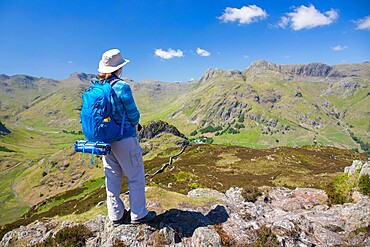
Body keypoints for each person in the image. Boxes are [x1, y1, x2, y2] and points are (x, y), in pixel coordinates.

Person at [97, 48, 156, 226]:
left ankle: (116, 216)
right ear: (119, 68)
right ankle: (138, 214)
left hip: (106, 140)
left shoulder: (98, 87)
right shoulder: (122, 86)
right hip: (125, 139)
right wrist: (136, 124)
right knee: (135, 177)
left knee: (112, 179)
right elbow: (132, 113)